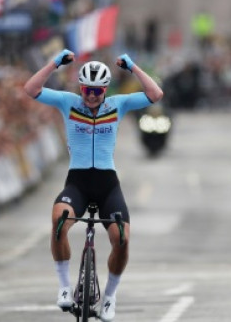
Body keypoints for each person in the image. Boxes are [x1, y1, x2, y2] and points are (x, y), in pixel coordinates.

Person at [24, 49, 163, 321]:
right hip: (77, 182)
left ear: (106, 90)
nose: (91, 96)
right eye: (87, 90)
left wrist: (133, 67)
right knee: (59, 222)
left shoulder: (117, 105)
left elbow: (156, 94)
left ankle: (110, 297)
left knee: (121, 239)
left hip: (107, 184)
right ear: (81, 87)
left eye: (97, 92)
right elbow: (31, 89)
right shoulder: (68, 102)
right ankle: (64, 287)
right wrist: (55, 63)